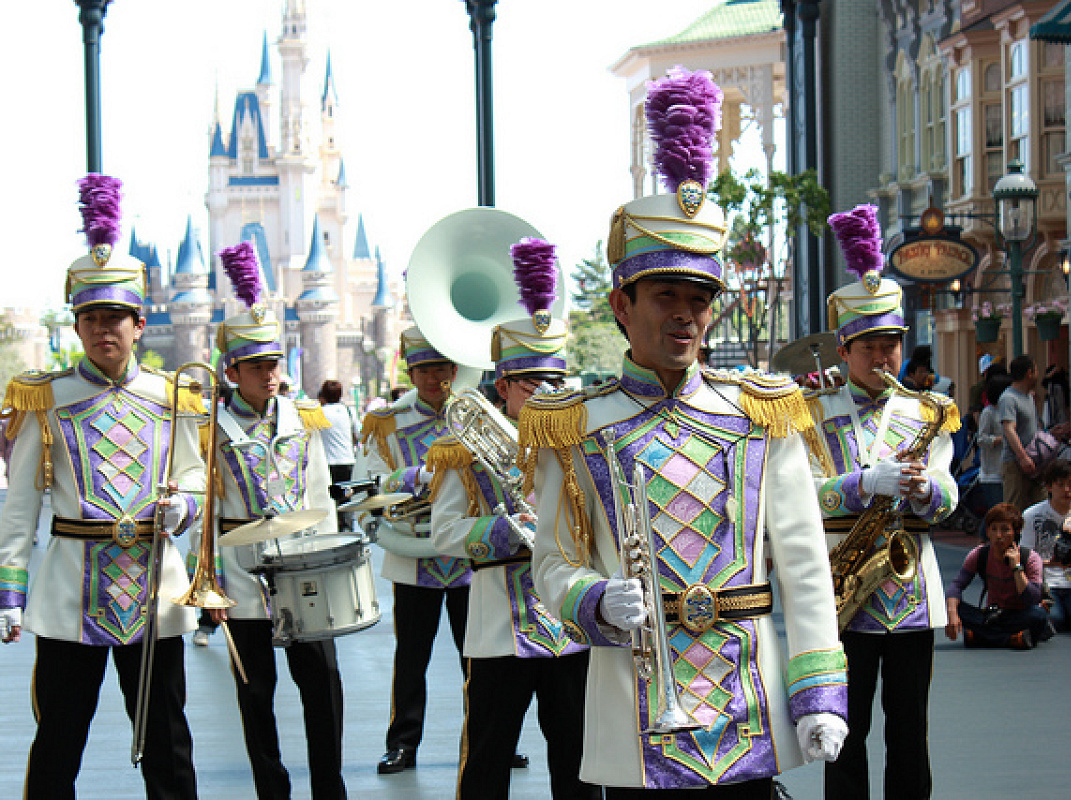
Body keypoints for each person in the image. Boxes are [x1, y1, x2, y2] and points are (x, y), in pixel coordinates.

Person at [526, 68, 847, 797]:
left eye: (699, 299)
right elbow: (550, 560)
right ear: (621, 304)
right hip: (634, 712)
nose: (685, 315)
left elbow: (803, 567)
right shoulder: (574, 426)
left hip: (749, 707)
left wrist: (819, 691)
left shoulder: (763, 413)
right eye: (665, 295)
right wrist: (591, 596)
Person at [0, 175, 201, 798]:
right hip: (68, 595)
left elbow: (195, 478)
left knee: (167, 740)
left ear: (140, 324)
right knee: (57, 739)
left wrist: (183, 507)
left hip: (155, 591)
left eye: (115, 318)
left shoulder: (174, 396)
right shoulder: (45, 397)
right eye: (89, 319)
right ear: (76, 326)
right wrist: (8, 588)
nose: (102, 330)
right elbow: (21, 503)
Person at [429, 238, 597, 800]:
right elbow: (444, 534)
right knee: (487, 762)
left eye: (559, 381)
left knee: (579, 761)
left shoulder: (583, 445)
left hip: (572, 625)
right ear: (502, 387)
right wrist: (506, 530)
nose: (552, 392)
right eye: (535, 383)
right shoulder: (462, 449)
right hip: (501, 626)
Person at [804, 203, 959, 800]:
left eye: (891, 343)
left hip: (911, 595)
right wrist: (862, 483)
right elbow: (802, 498)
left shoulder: (928, 412)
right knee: (847, 731)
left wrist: (925, 490)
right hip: (844, 596)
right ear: (845, 350)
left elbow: (948, 493)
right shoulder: (813, 415)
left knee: (910, 733)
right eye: (868, 345)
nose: (883, 357)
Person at [188, 240, 347, 799]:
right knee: (256, 694)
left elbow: (321, 492)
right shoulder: (208, 428)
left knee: (323, 686)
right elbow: (203, 509)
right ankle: (271, 790)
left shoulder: (303, 417)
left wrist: (329, 556)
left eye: (275, 363)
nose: (270, 375)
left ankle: (330, 788)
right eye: (257, 366)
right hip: (242, 579)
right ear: (231, 371)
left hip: (305, 573)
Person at [354, 326, 474, 775]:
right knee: (411, 658)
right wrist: (412, 478)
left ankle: (486, 737)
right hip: (412, 556)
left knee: (479, 658)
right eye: (422, 369)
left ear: (454, 369)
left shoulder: (475, 417)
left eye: (439, 368)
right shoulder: (387, 421)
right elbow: (370, 479)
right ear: (410, 371)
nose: (431, 378)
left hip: (468, 556)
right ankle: (403, 742)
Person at [945, 503, 1050, 649]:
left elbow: (1032, 598)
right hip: (993, 615)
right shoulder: (979, 554)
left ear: (1016, 532)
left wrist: (1017, 568)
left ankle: (981, 637)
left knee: (1039, 615)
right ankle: (1011, 639)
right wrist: (952, 615)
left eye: (1005, 530)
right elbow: (956, 585)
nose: (998, 536)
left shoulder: (1031, 558)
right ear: (987, 532)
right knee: (957, 607)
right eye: (994, 529)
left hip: (1020, 615)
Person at [1000, 354, 1070, 510]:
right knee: (1014, 508)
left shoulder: (1029, 397)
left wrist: (1051, 433)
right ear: (1029, 373)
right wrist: (1023, 457)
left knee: (1041, 505)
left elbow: (1032, 429)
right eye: (1036, 370)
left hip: (1037, 463)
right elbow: (1009, 429)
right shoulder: (1009, 398)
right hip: (1015, 463)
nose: (1039, 375)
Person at [1021, 459, 1071, 631]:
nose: (1066, 490)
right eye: (1060, 485)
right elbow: (1025, 556)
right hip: (1046, 582)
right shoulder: (1032, 515)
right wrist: (1052, 563)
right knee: (1055, 620)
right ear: (1049, 486)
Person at [318, 378, 360, 529]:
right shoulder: (349, 411)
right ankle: (348, 528)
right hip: (348, 460)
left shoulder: (319, 413)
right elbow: (359, 433)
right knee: (347, 499)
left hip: (327, 462)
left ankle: (334, 527)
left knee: (331, 499)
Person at [976, 372, 1014, 530]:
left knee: (1001, 512)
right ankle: (983, 540)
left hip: (1005, 469)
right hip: (991, 472)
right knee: (996, 513)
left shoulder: (1008, 410)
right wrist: (1000, 439)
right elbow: (981, 439)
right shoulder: (989, 412)